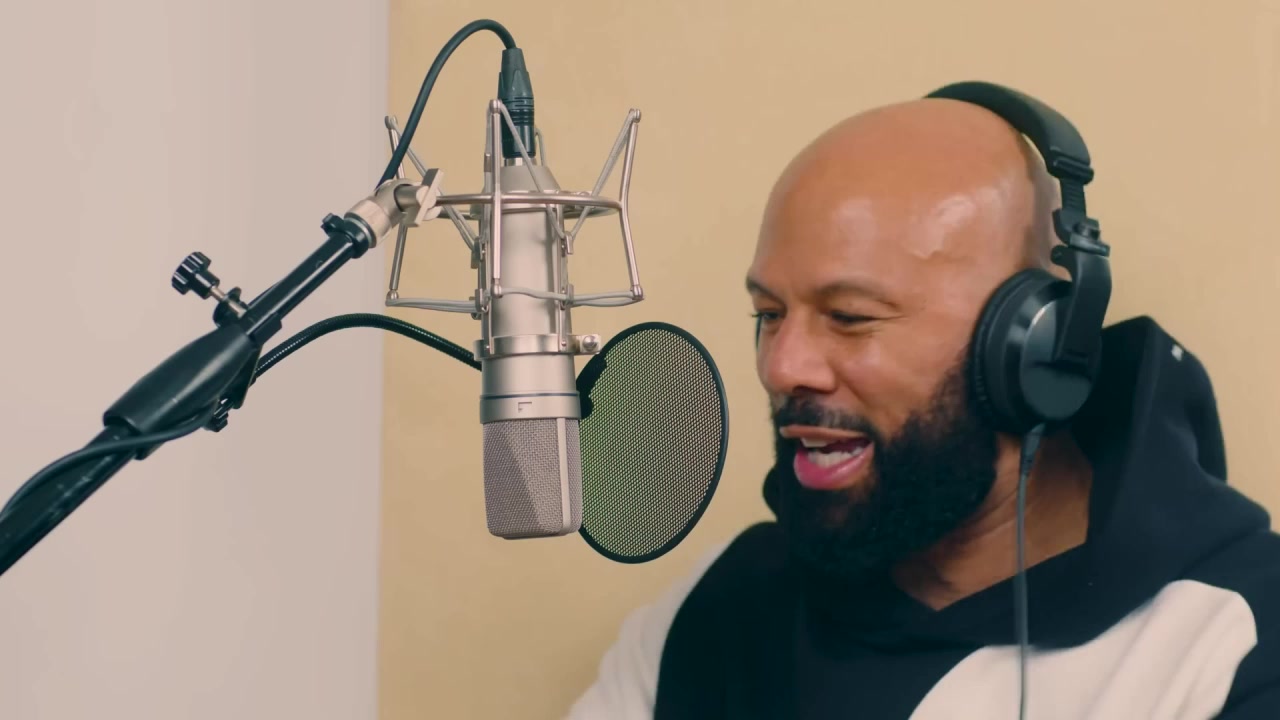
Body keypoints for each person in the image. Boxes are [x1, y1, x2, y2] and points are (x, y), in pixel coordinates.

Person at [564, 85, 1280, 719]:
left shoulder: (1228, 649)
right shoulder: (715, 607)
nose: (781, 367)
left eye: (850, 317)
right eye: (770, 314)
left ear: (1034, 346)